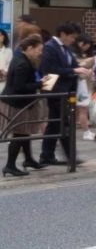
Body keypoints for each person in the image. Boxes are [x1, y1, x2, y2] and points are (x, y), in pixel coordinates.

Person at [39, 22, 92, 166]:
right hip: (55, 90)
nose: (73, 40)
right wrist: (74, 71)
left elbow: (73, 65)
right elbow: (50, 70)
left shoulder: (65, 48)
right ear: (63, 34)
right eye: (72, 37)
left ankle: (47, 155)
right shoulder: (50, 47)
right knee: (63, 123)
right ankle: (70, 156)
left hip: (65, 90)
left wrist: (82, 69)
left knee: (56, 124)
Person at [1, 34, 50, 176]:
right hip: (17, 104)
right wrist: (40, 83)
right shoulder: (22, 63)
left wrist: (38, 82)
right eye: (38, 50)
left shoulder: (20, 58)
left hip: (16, 102)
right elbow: (19, 86)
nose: (40, 53)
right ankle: (10, 165)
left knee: (24, 132)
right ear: (29, 48)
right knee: (19, 134)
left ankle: (29, 159)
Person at [73, 34, 96, 141]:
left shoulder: (78, 53)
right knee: (83, 108)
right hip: (81, 86)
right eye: (86, 44)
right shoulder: (74, 54)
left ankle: (85, 130)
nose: (87, 47)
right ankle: (86, 132)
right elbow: (79, 66)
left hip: (82, 85)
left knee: (81, 109)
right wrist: (91, 61)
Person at [0, 29, 11, 94]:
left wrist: (3, 72)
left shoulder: (8, 51)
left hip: (3, 81)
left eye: (0, 35)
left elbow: (9, 66)